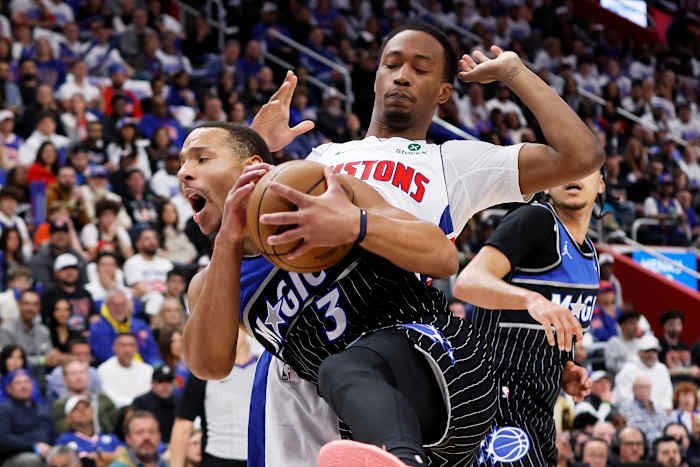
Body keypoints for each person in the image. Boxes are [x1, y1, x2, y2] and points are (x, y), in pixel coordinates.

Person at [235, 20, 602, 466]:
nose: (403, 76)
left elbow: (580, 156)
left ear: (444, 92)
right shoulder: (320, 157)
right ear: (376, 77)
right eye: (391, 65)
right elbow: (241, 242)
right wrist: (254, 152)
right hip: (298, 356)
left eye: (420, 68)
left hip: (386, 349)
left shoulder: (454, 162)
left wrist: (515, 73)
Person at [453, 170, 602, 466]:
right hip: (495, 396)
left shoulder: (590, 256)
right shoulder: (536, 219)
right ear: (546, 186)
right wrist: (530, 299)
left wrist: (564, 368)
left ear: (601, 184)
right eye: (567, 166)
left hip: (540, 409)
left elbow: (547, 332)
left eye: (585, 169)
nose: (573, 173)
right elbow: (467, 282)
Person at [170, 329, 259, 467]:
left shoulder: (267, 370)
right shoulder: (204, 371)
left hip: (260, 459)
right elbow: (183, 426)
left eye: (236, 326)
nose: (231, 332)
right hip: (215, 459)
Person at [0, 369, 54, 467]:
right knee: (32, 460)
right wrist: (33, 446)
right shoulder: (4, 409)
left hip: (46, 451)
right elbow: (3, 439)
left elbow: (51, 433)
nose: (24, 386)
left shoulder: (41, 408)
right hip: (15, 456)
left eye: (26, 382)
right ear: (9, 388)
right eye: (18, 383)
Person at [52, 360, 118, 435]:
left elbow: (115, 425)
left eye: (82, 372)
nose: (79, 377)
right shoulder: (60, 405)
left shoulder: (103, 399)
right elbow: (62, 430)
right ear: (64, 379)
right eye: (73, 373)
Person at [54, 395, 124, 463]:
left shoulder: (111, 437)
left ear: (92, 412)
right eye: (76, 409)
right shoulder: (64, 441)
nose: (82, 411)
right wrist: (111, 457)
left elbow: (125, 457)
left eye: (86, 407)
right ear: (68, 418)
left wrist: (99, 456)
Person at [614, 335, 674, 411]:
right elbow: (623, 396)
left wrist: (665, 409)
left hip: (659, 413)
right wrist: (644, 410)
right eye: (647, 351)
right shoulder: (628, 369)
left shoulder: (662, 369)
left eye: (654, 351)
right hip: (632, 412)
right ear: (639, 352)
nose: (651, 354)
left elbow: (667, 393)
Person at [97, 333, 153, 408]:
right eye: (123, 345)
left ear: (136, 349)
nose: (127, 350)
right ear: (114, 348)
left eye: (131, 345)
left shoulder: (147, 370)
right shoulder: (103, 370)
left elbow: (147, 394)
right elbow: (108, 396)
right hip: (116, 411)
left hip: (141, 410)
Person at [618, 375, 673, 444]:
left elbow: (667, 428)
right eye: (640, 387)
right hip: (639, 444)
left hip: (661, 445)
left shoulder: (659, 409)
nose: (644, 390)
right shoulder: (625, 408)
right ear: (633, 389)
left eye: (647, 387)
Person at [132, 365, 178, 442]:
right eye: (160, 382)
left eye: (169, 382)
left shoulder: (179, 401)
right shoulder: (140, 402)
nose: (165, 386)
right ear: (152, 383)